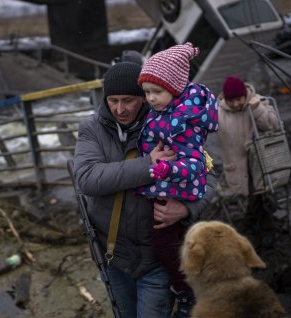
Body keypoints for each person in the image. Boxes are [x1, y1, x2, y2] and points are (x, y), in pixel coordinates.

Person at [73, 61, 216, 317]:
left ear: (144, 97)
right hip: (113, 257)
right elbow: (87, 179)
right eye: (112, 100)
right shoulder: (91, 128)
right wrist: (149, 165)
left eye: (128, 100)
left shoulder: (171, 122)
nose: (119, 109)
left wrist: (186, 208)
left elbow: (210, 176)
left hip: (156, 261)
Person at [135, 42, 218, 317]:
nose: (150, 99)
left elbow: (195, 163)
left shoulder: (184, 122)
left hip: (175, 187)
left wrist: (168, 171)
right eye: (146, 92)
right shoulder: (167, 113)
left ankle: (185, 291)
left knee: (165, 242)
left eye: (156, 92)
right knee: (178, 241)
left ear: (175, 88)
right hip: (168, 186)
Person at [217, 75, 280, 249]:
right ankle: (251, 224)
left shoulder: (257, 102)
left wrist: (258, 109)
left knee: (260, 195)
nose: (236, 104)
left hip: (260, 163)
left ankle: (263, 230)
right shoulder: (218, 112)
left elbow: (273, 125)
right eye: (231, 101)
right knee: (254, 196)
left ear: (245, 95)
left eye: (239, 99)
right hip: (238, 166)